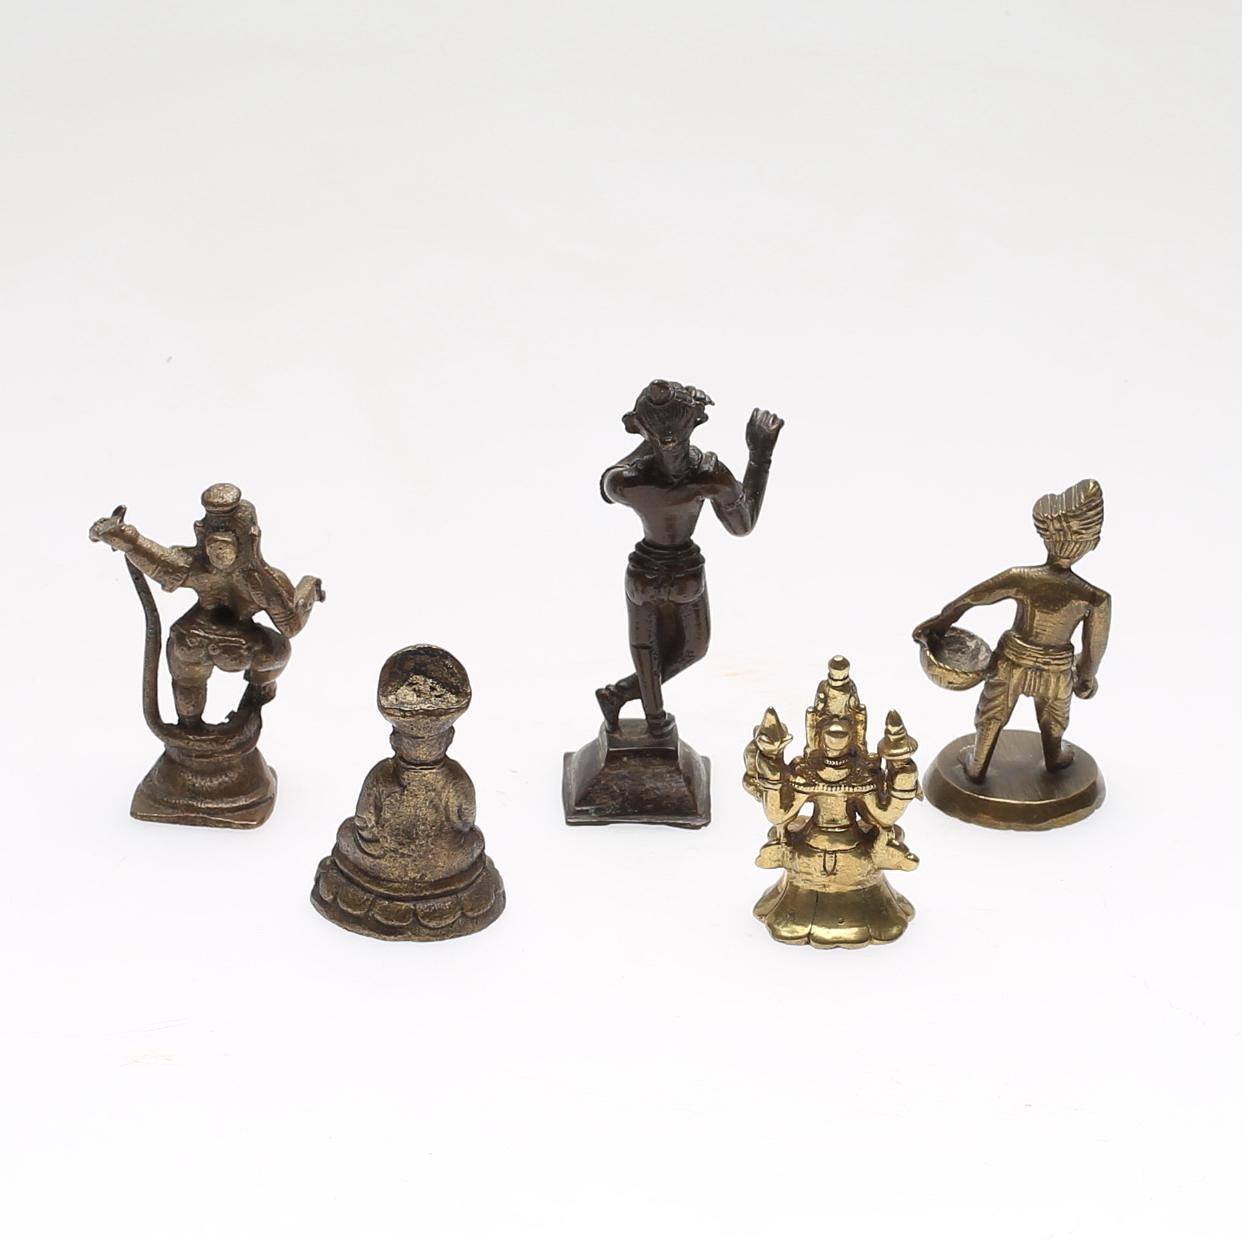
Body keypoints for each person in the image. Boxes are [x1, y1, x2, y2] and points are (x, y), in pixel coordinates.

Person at [594, 379, 783, 736]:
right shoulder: (709, 475)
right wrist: (759, 458)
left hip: (644, 573)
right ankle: (628, 699)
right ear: (695, 422)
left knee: (646, 648)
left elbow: (606, 482)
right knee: (692, 649)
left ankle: (650, 715)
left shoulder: (630, 483)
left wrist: (650, 438)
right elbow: (742, 524)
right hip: (685, 573)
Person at [913, 478, 1110, 782]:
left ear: (1045, 537)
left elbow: (973, 598)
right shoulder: (1095, 598)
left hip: (1012, 660)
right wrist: (1086, 677)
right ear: (1093, 544)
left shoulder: (1022, 577)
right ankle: (1054, 757)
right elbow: (1095, 648)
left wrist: (941, 623)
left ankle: (978, 763)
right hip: (1057, 669)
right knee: (1054, 717)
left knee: (992, 713)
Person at [90, 483, 324, 727]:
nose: (218, 554)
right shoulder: (253, 579)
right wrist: (128, 540)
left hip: (216, 643)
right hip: (210, 642)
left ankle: (236, 707)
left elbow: (161, 565)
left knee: (271, 652)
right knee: (275, 651)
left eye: (224, 546)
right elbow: (290, 626)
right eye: (214, 546)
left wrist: (128, 540)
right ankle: (196, 724)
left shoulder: (252, 580)